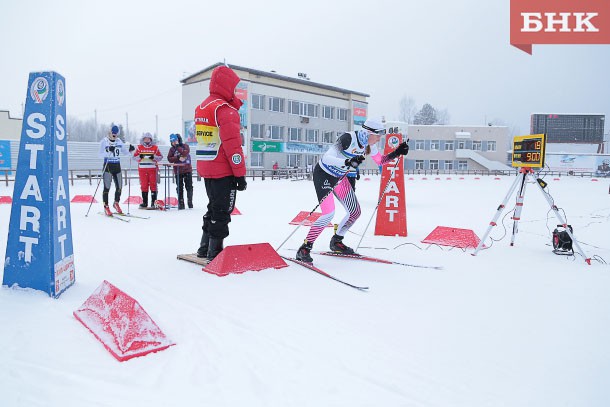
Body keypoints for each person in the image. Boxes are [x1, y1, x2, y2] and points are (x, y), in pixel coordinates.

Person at [296, 118, 409, 263]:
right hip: (324, 174)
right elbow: (327, 158)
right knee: (329, 213)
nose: (379, 139)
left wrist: (397, 152)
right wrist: (346, 162)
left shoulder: (369, 145)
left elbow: (380, 161)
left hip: (339, 177)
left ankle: (336, 241)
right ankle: (305, 248)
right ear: (368, 133)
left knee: (355, 212)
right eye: (378, 135)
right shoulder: (348, 138)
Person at [194, 65, 247, 261]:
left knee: (213, 206)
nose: (234, 92)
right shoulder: (225, 110)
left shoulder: (202, 107)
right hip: (223, 169)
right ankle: (214, 252)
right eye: (233, 87)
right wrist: (239, 174)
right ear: (226, 86)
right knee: (222, 210)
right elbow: (233, 146)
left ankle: (204, 246)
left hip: (207, 166)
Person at [98, 125, 135, 215]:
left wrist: (130, 151)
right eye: (113, 133)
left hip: (117, 166)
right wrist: (107, 150)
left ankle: (116, 203)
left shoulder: (119, 141)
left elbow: (125, 152)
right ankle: (106, 206)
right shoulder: (104, 141)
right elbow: (100, 155)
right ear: (110, 132)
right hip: (108, 166)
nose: (114, 136)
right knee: (107, 187)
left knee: (119, 187)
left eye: (116, 134)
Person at [133, 132, 162, 209]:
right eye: (145, 138)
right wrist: (140, 156)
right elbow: (134, 157)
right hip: (142, 169)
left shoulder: (155, 148)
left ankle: (153, 202)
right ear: (143, 139)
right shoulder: (139, 147)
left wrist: (154, 157)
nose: (147, 140)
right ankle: (144, 202)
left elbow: (160, 157)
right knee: (144, 185)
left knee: (153, 185)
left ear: (151, 139)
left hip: (152, 169)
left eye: (148, 139)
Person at [167, 133, 193, 209]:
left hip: (187, 169)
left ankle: (190, 202)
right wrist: (178, 157)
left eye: (176, 141)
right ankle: (181, 203)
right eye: (172, 141)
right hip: (178, 171)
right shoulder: (171, 149)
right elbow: (169, 159)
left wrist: (178, 147)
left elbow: (185, 153)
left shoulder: (185, 146)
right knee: (179, 187)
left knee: (189, 187)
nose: (174, 143)